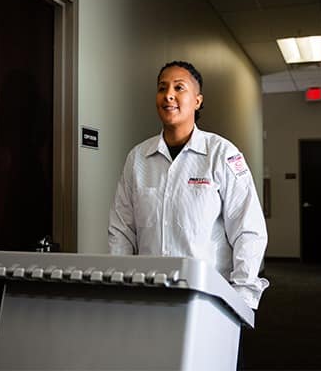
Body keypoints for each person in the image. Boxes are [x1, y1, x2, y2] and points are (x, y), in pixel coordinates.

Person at [108, 60, 269, 309]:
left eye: (179, 87)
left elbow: (248, 230)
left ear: (197, 100)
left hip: (207, 298)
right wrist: (121, 284)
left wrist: (242, 298)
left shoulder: (222, 154)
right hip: (148, 295)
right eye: (162, 88)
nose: (168, 95)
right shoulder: (137, 158)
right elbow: (121, 231)